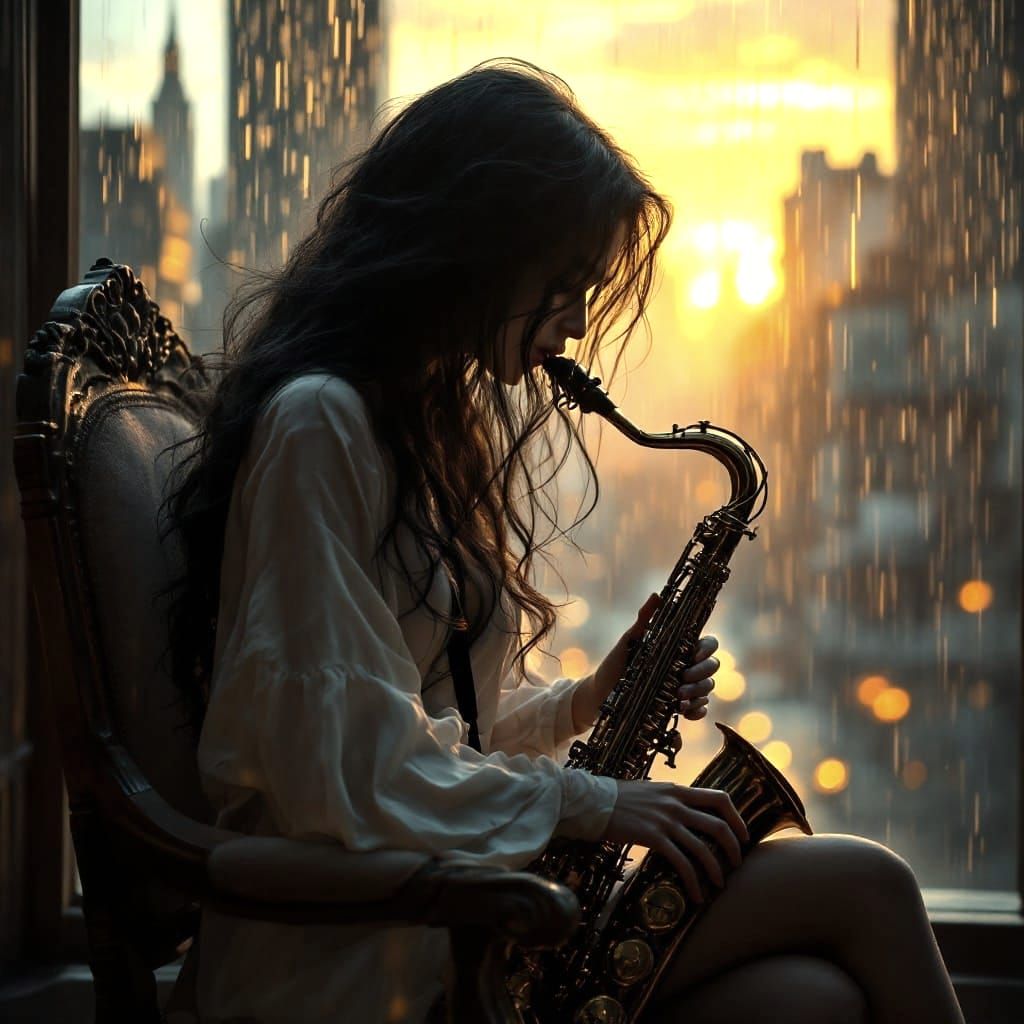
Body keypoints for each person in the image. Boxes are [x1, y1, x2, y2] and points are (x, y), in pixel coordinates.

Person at [164, 60, 965, 1024]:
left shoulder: (416, 421)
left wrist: (589, 700)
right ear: (479, 246)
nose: (579, 325)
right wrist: (594, 805)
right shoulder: (320, 424)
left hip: (449, 910)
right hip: (369, 957)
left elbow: (421, 714)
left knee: (812, 1000)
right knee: (869, 888)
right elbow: (337, 761)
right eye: (564, 285)